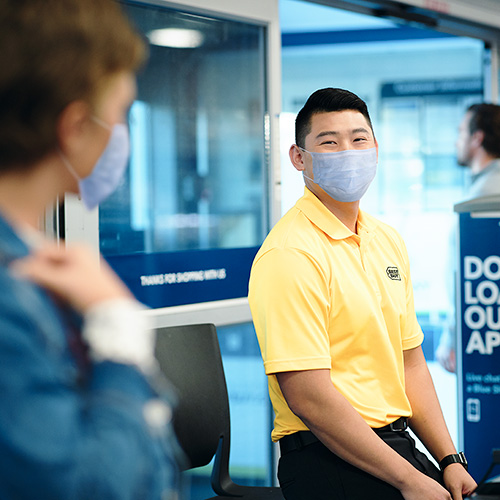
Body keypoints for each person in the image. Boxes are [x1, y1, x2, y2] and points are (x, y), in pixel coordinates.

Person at [248, 88, 477, 500]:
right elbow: (309, 397)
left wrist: (448, 460)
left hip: (394, 444)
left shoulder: (385, 239)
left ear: (375, 148)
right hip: (326, 454)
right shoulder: (291, 254)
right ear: (299, 158)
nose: (347, 151)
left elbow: (410, 365)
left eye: (359, 139)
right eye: (329, 142)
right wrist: (411, 481)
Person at [0, 1, 180, 498]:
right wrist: (119, 331)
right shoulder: (9, 296)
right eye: (120, 112)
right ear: (75, 127)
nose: (121, 136)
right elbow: (95, 486)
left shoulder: (36, 261)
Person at [436, 103, 500, 372]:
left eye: (461, 132)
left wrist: (451, 335)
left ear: (477, 138)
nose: (456, 141)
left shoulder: (483, 197)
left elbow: (467, 276)